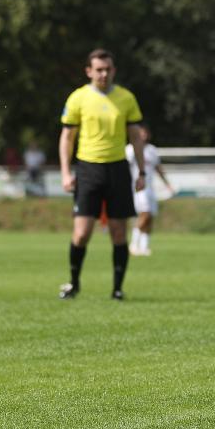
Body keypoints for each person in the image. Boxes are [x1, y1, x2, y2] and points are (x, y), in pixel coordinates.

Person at [59, 49, 146, 301]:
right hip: (88, 169)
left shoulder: (126, 98)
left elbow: (135, 138)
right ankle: (73, 283)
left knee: (119, 233)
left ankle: (117, 289)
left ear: (114, 70)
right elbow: (67, 137)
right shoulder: (78, 98)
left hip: (118, 168)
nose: (103, 74)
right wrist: (66, 172)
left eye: (107, 69)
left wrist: (141, 171)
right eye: (98, 69)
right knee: (81, 233)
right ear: (89, 71)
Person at [126, 125, 175, 256]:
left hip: (150, 188)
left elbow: (158, 168)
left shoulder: (152, 150)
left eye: (145, 133)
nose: (143, 136)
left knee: (150, 217)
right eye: (141, 133)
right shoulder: (130, 149)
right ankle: (133, 244)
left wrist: (167, 184)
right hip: (138, 188)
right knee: (145, 213)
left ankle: (144, 247)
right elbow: (124, 168)